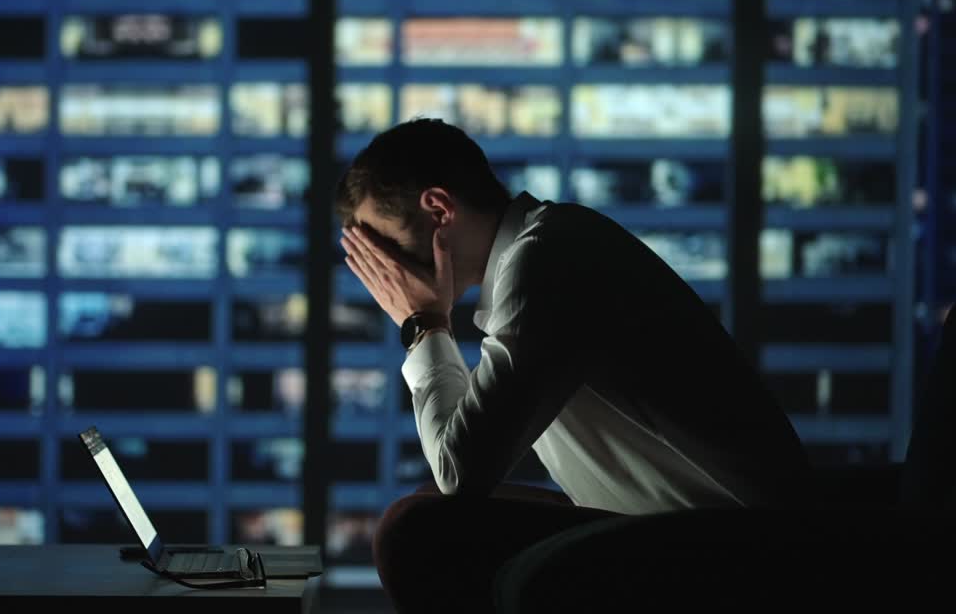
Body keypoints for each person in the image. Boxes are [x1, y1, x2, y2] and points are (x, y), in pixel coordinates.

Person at [335, 119, 811, 612]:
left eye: (386, 248)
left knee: (415, 531)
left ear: (438, 209)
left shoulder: (543, 263)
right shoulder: (548, 246)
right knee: (426, 509)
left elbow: (462, 469)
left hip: (739, 550)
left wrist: (424, 325)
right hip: (686, 527)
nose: (385, 275)